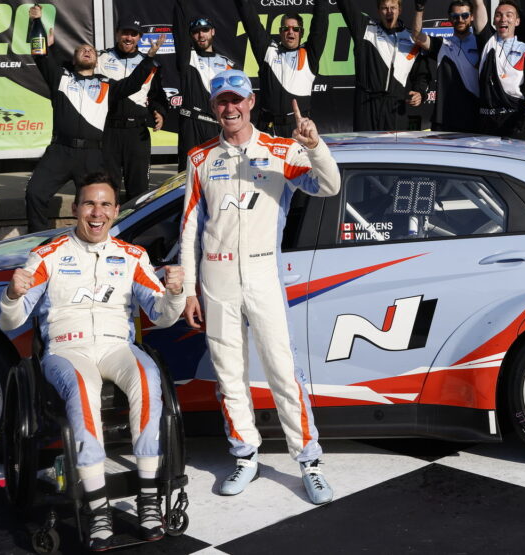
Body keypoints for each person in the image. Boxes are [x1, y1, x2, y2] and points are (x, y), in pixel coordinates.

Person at [179, 70, 341, 504]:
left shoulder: (280, 150)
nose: (230, 108)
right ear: (214, 108)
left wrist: (313, 145)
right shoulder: (199, 159)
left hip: (264, 274)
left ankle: (308, 460)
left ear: (250, 102)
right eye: (221, 102)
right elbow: (189, 229)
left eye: (237, 100)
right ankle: (245, 455)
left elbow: (329, 185)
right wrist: (189, 290)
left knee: (282, 371)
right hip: (216, 280)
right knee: (229, 376)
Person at [0, 173, 185, 551]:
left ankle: (148, 500)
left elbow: (160, 314)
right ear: (75, 209)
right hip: (67, 350)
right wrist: (11, 294)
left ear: (116, 212)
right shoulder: (48, 255)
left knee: (149, 379)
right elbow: (12, 321)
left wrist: (175, 294)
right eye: (89, 203)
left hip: (117, 346)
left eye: (104, 205)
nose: (96, 212)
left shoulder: (132, 256)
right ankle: (97, 508)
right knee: (84, 390)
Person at [24, 5, 155, 232]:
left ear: (96, 60)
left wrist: (148, 60)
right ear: (73, 59)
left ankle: (91, 240)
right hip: (60, 150)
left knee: (95, 204)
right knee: (34, 193)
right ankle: (38, 242)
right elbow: (39, 53)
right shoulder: (60, 79)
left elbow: (133, 84)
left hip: (93, 155)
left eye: (91, 50)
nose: (87, 51)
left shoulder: (107, 84)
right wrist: (36, 22)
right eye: (82, 49)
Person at [97, 16, 170, 201]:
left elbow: (156, 95)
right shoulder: (101, 58)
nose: (128, 38)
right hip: (108, 130)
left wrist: (159, 111)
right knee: (106, 187)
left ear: (139, 37)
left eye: (133, 34)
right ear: (117, 34)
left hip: (136, 132)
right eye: (125, 33)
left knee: (138, 191)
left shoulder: (150, 63)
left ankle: (134, 229)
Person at [233, 0, 329, 137]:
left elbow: (320, 25)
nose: (291, 32)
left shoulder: (309, 54)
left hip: (298, 127)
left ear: (301, 33)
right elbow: (250, 21)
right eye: (286, 29)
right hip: (268, 127)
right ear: (280, 32)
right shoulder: (268, 51)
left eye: (295, 29)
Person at [336, 0, 430, 131]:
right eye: (384, 8)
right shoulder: (365, 28)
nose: (389, 12)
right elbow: (346, 5)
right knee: (364, 149)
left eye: (393, 8)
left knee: (393, 150)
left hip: (395, 105)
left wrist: (420, 92)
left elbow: (421, 74)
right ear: (379, 11)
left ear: (400, 10)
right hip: (366, 103)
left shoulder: (411, 39)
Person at [173, 0, 235, 171]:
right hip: (191, 124)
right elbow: (178, 28)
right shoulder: (188, 58)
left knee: (219, 174)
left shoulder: (227, 65)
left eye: (205, 30)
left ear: (213, 31)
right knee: (187, 177)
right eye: (196, 32)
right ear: (191, 35)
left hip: (216, 126)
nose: (201, 35)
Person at [413, 0, 488, 132]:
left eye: (465, 15)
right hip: (444, 118)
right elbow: (417, 37)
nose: (460, 19)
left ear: (472, 17)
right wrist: (419, 9)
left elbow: (480, 8)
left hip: (474, 118)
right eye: (455, 16)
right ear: (449, 18)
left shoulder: (483, 43)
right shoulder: (443, 44)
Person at [476, 0, 525, 140]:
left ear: (517, 21)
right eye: (499, 15)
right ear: (494, 20)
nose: (503, 19)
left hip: (514, 121)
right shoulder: (487, 41)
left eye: (509, 15)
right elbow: (478, 5)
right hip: (485, 121)